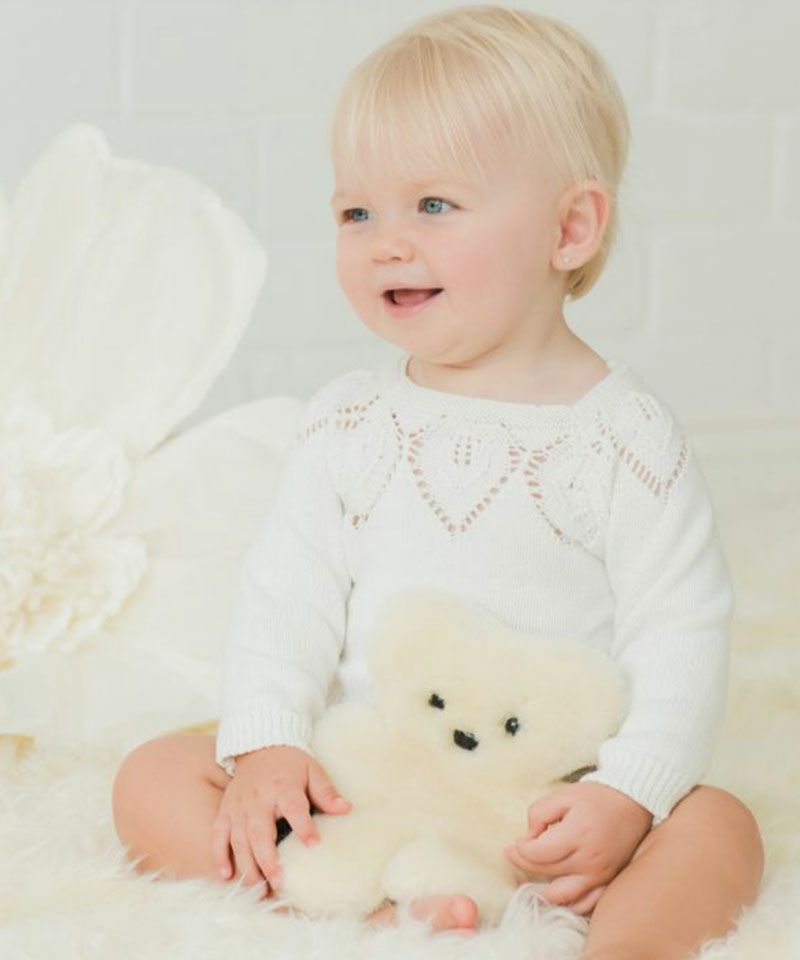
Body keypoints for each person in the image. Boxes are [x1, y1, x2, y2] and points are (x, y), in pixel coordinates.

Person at [111, 5, 764, 956]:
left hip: (544, 809)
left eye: (433, 205)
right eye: (356, 212)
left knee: (719, 828)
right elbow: (286, 595)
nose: (386, 241)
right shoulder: (348, 423)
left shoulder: (620, 438)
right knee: (152, 776)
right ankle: (362, 915)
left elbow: (681, 630)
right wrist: (268, 742)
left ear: (570, 227)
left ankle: (611, 943)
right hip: (368, 785)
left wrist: (628, 793)